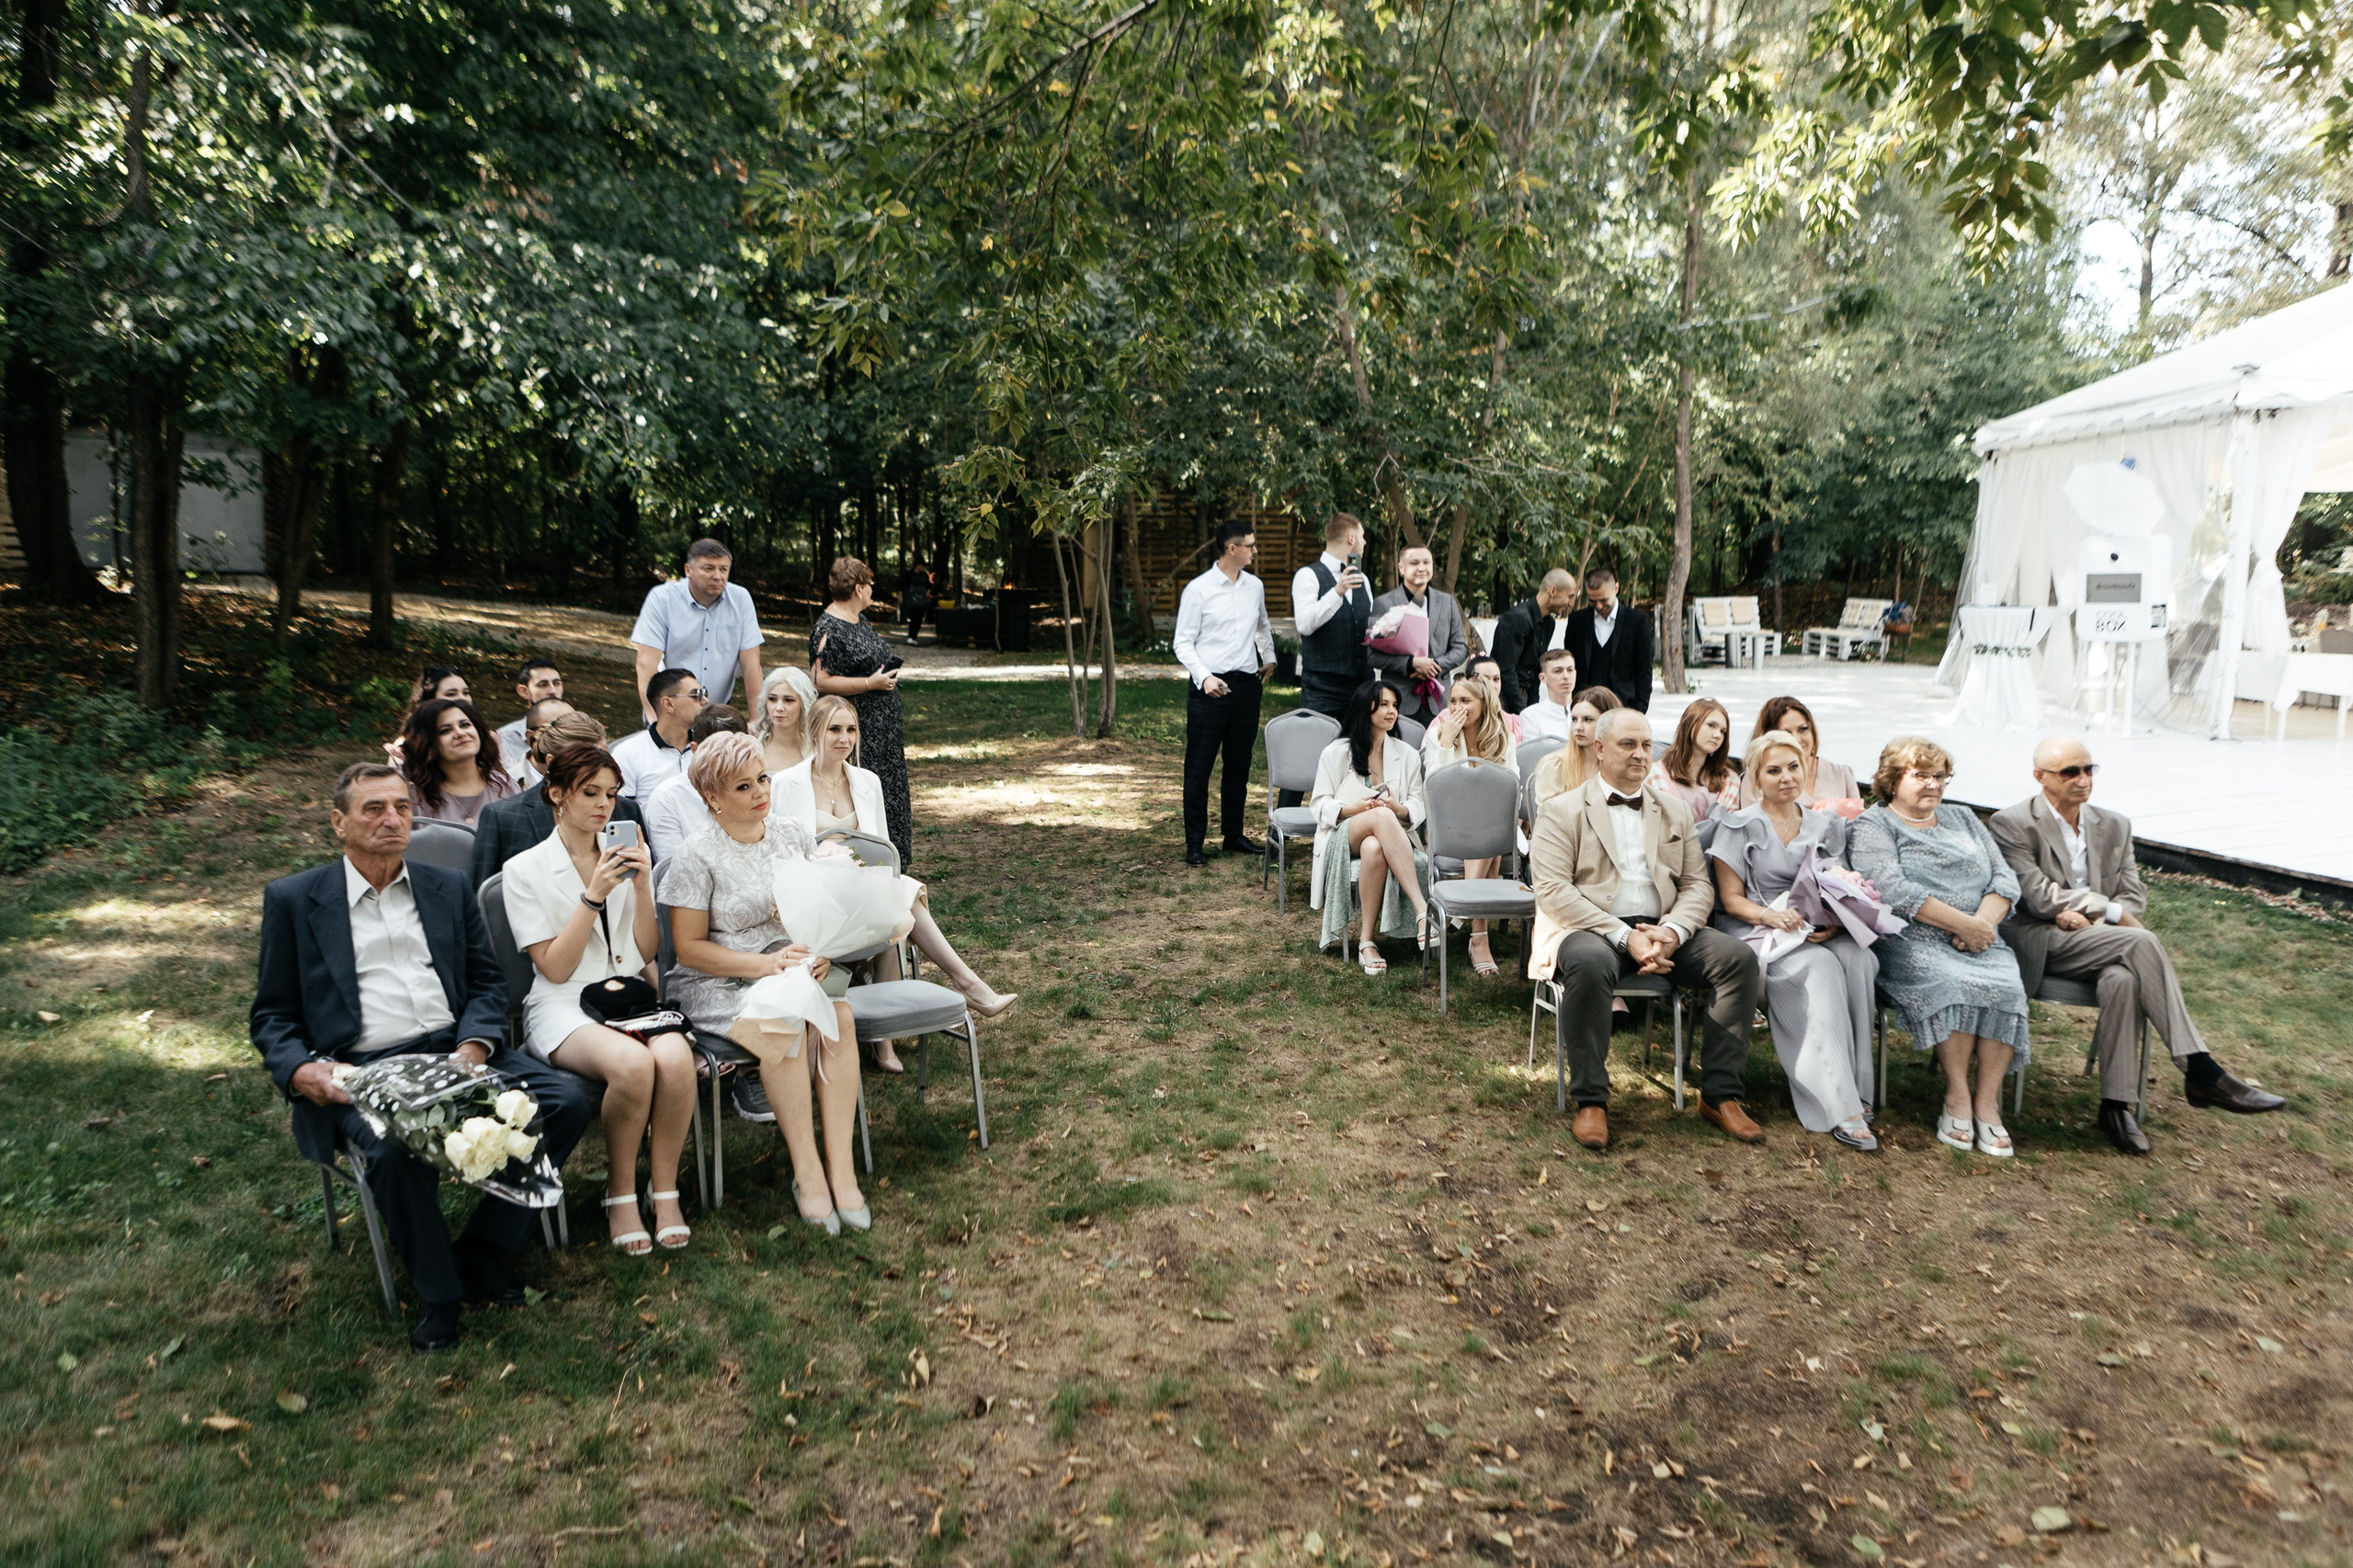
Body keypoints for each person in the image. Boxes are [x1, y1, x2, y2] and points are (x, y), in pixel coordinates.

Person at [250, 764, 593, 1352]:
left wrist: (474, 1044)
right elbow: (272, 1014)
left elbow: (486, 983)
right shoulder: (295, 899)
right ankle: (440, 1293)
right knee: (390, 1150)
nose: (392, 819)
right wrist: (303, 1071)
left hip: (452, 1047)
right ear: (339, 823)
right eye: (373, 810)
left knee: (565, 1100)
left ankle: (484, 1247)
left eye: (402, 808)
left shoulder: (445, 887)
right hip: (363, 1064)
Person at [1989, 735, 2282, 1154]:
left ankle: (2116, 1106)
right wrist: (2109, 914)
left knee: (2123, 979)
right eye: (2070, 771)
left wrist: (2094, 914)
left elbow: (2133, 896)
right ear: (2040, 776)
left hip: (2101, 940)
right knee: (2140, 942)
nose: (2082, 779)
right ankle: (2199, 1069)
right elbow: (2037, 896)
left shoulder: (2114, 824)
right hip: (2042, 940)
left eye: (2089, 769)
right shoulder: (2012, 823)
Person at [1529, 708, 1764, 1150]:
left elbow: (1697, 884)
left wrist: (1671, 932)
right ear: (1599, 749)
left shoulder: (1673, 810)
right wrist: (1625, 936)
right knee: (1589, 963)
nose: (1641, 755)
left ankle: (1720, 1095)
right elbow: (1553, 891)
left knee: (1737, 960)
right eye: (1628, 745)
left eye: (1646, 745)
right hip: (1591, 928)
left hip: (1662, 929)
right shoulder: (1562, 811)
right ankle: (1592, 1100)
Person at [658, 733, 868, 1231]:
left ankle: (841, 1168)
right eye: (743, 786)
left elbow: (815, 910)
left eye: (763, 779)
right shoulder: (696, 855)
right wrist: (767, 967)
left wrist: (819, 953)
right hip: (720, 980)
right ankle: (808, 1170)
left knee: (839, 1016)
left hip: (791, 966)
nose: (760, 792)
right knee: (786, 1023)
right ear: (712, 796)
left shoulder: (793, 834)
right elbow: (688, 949)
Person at [500, 743, 699, 1252]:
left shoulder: (623, 854)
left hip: (629, 997)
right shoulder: (525, 869)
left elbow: (646, 952)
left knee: (676, 1059)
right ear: (556, 795)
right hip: (563, 1002)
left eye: (611, 794)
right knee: (634, 1067)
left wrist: (640, 887)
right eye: (590, 793)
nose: (604, 806)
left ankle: (666, 1188)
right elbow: (555, 966)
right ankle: (620, 1194)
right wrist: (592, 895)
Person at [774, 698, 1019, 1064]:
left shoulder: (867, 781)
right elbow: (782, 856)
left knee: (893, 896)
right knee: (898, 901)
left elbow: (884, 850)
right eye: (834, 730)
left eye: (851, 730)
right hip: (813, 898)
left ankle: (887, 1038)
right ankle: (967, 986)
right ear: (814, 732)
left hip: (863, 889)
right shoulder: (786, 783)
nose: (844, 739)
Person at [1847, 737, 2029, 1158]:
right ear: (1893, 780)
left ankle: (1987, 1103)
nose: (1933, 784)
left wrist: (1981, 926)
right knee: (1953, 981)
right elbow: (1891, 889)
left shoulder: (1963, 818)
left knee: (2005, 986)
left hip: (1983, 937)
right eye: (1921, 775)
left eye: (1940, 776)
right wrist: (1962, 924)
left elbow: (2004, 880)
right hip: (1913, 939)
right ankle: (1957, 1098)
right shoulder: (1875, 824)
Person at [1709, 729, 1880, 1151]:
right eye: (1773, 770)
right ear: (1754, 777)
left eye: (1793, 767)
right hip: (1759, 926)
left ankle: (1860, 1087)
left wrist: (1836, 925)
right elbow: (1731, 901)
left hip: (1816, 926)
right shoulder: (1738, 825)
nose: (1785, 777)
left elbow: (1837, 885)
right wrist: (1773, 916)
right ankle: (1839, 1105)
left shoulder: (1825, 825)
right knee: (1819, 968)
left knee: (1860, 959)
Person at [1309, 677, 1435, 972]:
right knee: (1379, 817)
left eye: (1395, 705)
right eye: (1384, 705)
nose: (1392, 711)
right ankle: (1421, 909)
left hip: (1388, 834)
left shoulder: (1407, 754)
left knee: (1374, 846)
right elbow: (1319, 804)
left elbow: (1417, 805)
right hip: (1344, 832)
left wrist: (1398, 808)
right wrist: (1352, 809)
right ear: (1365, 709)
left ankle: (1366, 941)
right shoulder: (1336, 752)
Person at [1173, 518, 1276, 866]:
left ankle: (1233, 835)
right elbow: (1182, 642)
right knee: (1199, 768)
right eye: (1250, 545)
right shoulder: (1198, 590)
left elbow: (1262, 625)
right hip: (1209, 689)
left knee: (1239, 765)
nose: (1255, 551)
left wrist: (1270, 658)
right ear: (1232, 549)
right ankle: (1194, 845)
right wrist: (1204, 677)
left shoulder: (1255, 587)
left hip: (1247, 686)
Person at [810, 556, 915, 869]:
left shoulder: (859, 619)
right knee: (865, 790)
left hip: (884, 730)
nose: (872, 590)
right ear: (858, 588)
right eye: (870, 585)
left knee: (887, 791)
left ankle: (894, 860)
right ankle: (869, 861)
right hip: (858, 726)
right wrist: (871, 683)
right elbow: (820, 679)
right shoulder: (829, 626)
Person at [470, 712, 645, 888]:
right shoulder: (504, 818)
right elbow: (482, 898)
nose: (596, 769)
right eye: (582, 762)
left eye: (602, 758)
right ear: (552, 763)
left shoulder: (626, 810)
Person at [1421, 673, 1517, 977]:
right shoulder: (1439, 735)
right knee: (1487, 833)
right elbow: (1434, 788)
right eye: (1452, 701)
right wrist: (1447, 742)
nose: (1457, 707)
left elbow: (1512, 788)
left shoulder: (1502, 737)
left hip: (1494, 825)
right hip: (1449, 826)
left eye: (1465, 701)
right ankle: (1478, 935)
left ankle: (1467, 915)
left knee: (1488, 823)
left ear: (1483, 703)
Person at [631, 538, 765, 716]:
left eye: (723, 569)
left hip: (718, 712)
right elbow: (645, 664)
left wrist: (757, 720)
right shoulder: (662, 599)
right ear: (688, 570)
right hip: (670, 712)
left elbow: (751, 665)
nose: (718, 576)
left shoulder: (741, 599)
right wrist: (655, 720)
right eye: (709, 568)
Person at [1368, 544, 1468, 724]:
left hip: (1438, 699)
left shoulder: (1447, 602)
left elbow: (1460, 648)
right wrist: (1410, 664)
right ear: (1401, 568)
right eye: (1414, 563)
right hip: (1399, 699)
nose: (1421, 568)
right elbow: (1373, 657)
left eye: (1426, 562)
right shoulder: (1383, 603)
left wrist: (1434, 665)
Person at [642, 705, 749, 862]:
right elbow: (672, 869)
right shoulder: (667, 798)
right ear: (695, 749)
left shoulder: (760, 788)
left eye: (740, 751)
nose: (731, 760)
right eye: (720, 753)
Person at [400, 698, 517, 826]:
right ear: (426, 743)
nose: (460, 733)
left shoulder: (505, 786)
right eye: (446, 730)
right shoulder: (415, 799)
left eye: (465, 725)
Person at [1735, 696, 1859, 808]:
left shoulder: (1843, 775)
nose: (1796, 739)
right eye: (1786, 733)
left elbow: (1858, 826)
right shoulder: (1757, 778)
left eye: (1802, 729)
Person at [1564, 566, 1653, 712]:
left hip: (1624, 706)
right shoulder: (1577, 621)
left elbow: (1644, 669)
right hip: (1584, 706)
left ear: (1616, 588)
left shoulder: (1637, 621)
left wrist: (1640, 709)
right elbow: (1569, 663)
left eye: (1603, 600)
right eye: (1592, 601)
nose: (1598, 606)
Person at [1490, 569, 1578, 714]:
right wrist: (1522, 712)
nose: (1570, 604)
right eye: (1569, 597)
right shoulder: (1518, 618)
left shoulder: (1549, 623)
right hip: (1504, 699)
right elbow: (1506, 670)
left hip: (1526, 697)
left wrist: (1533, 708)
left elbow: (1537, 668)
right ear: (1553, 591)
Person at [611, 668, 707, 800]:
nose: (705, 700)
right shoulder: (627, 754)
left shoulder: (708, 748)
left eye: (704, 693)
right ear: (668, 704)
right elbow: (623, 811)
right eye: (696, 695)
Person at [1651, 698, 1739, 832]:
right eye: (1711, 725)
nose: (1718, 735)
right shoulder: (1655, 774)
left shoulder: (1729, 779)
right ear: (1690, 724)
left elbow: (1732, 830)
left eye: (1723, 731)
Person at [1529, 687, 1621, 811]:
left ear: (1610, 723)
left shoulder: (1622, 765)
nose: (1578, 727)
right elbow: (1549, 820)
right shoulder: (1555, 766)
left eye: (1588, 720)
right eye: (1574, 719)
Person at [495, 659, 563, 777]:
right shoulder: (504, 739)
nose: (553, 691)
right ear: (524, 691)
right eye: (543, 685)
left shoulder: (583, 732)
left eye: (557, 684)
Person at [755, 666, 819, 775]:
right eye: (772, 699)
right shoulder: (756, 752)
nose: (779, 708)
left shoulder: (817, 749)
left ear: (803, 705)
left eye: (788, 700)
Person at [1515, 647, 1579, 747]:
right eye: (1558, 671)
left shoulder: (1588, 711)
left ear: (1575, 673)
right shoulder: (1531, 715)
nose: (1566, 676)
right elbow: (1531, 756)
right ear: (1543, 678)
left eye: (1570, 670)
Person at [513, 698, 574, 791]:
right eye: (555, 730)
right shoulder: (507, 783)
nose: (568, 736)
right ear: (530, 737)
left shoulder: (593, 776)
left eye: (574, 728)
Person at [1460, 656, 1520, 741]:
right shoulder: (1449, 717)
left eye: (1496, 679)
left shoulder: (1513, 723)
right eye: (1485, 679)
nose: (1491, 685)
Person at [900, 562, 934, 645]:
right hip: (911, 600)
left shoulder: (925, 575)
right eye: (922, 565)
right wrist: (900, 595)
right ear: (917, 565)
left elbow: (929, 585)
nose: (924, 568)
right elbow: (901, 584)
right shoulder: (909, 574)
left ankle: (914, 637)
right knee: (913, 618)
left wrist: (928, 593)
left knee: (919, 619)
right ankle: (911, 637)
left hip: (922, 601)